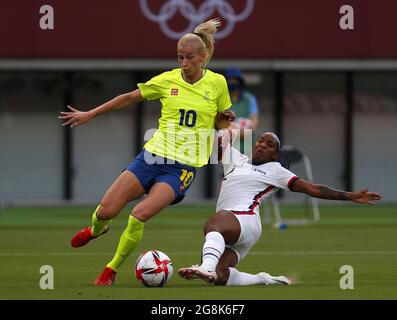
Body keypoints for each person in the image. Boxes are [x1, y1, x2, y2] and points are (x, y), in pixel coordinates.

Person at [59, 18, 235, 286]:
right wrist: (90, 113)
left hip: (182, 168)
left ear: (202, 56)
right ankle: (96, 229)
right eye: (180, 57)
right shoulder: (167, 80)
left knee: (139, 214)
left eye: (189, 58)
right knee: (106, 210)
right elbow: (129, 97)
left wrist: (226, 119)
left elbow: (220, 123)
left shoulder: (217, 83)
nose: (184, 63)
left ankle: (111, 269)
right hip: (152, 157)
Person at [178, 130, 382, 286]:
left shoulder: (276, 171)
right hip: (235, 227)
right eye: (260, 141)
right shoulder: (236, 161)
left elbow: (313, 189)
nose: (261, 145)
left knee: (213, 224)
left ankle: (204, 267)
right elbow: (218, 139)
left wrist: (350, 196)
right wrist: (227, 125)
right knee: (220, 276)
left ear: (275, 155)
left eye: (269, 145)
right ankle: (265, 279)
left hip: (245, 220)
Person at [224, 67, 259, 155]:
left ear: (240, 82)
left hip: (248, 146)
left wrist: (241, 132)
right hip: (229, 148)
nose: (232, 83)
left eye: (235, 81)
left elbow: (254, 123)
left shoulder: (249, 99)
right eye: (229, 81)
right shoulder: (222, 100)